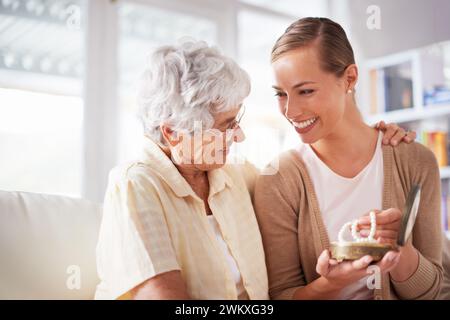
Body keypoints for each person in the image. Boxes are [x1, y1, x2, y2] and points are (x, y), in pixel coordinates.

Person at [254, 17, 443, 300]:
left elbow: (434, 292)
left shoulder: (416, 160)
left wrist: (400, 251)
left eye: (306, 91)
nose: (291, 111)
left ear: (350, 79)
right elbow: (281, 295)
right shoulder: (279, 179)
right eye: (281, 94)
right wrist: (330, 284)